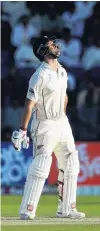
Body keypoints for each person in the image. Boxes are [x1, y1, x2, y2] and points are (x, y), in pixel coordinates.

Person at [11, 35, 85, 219]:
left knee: (70, 162)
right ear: (43, 51)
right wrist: (22, 129)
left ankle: (67, 209)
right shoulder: (39, 75)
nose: (55, 45)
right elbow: (30, 103)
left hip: (62, 121)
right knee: (42, 164)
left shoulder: (62, 70)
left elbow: (65, 96)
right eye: (50, 44)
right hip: (44, 124)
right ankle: (27, 210)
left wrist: (63, 117)